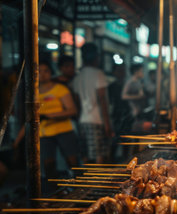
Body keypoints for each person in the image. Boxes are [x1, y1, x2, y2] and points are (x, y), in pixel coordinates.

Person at [14, 60, 79, 193]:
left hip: (64, 130)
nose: (42, 74)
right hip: (44, 134)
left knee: (73, 163)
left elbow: (72, 110)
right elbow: (29, 119)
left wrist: (49, 116)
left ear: (51, 73)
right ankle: (54, 195)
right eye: (39, 72)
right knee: (48, 166)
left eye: (46, 71)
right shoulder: (32, 93)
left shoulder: (60, 89)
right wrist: (16, 142)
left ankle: (79, 191)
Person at [72, 43, 113, 164]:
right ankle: (98, 182)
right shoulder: (98, 74)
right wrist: (107, 124)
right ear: (95, 57)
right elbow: (102, 100)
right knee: (99, 155)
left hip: (82, 121)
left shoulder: (78, 76)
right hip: (96, 120)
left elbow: (77, 101)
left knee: (86, 155)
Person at [122, 64, 152, 133]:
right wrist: (138, 97)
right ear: (136, 72)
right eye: (141, 71)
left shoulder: (139, 82)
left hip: (140, 111)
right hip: (134, 112)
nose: (143, 73)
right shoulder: (130, 82)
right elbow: (123, 96)